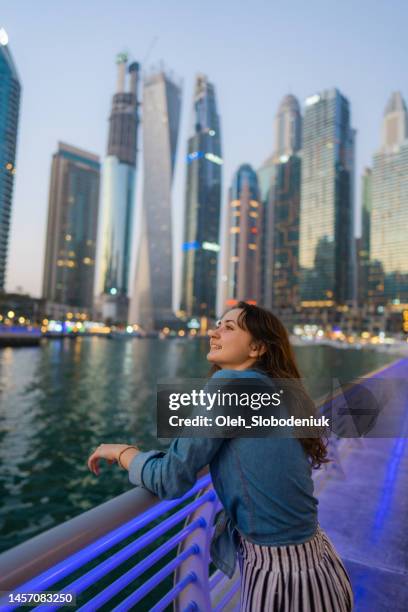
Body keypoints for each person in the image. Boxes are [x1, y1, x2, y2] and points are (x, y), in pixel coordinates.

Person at [88, 301, 354, 611]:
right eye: (217, 325)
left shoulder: (228, 386)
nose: (213, 333)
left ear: (257, 348)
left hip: (282, 582)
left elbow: (170, 478)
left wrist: (124, 452)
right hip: (322, 563)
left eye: (228, 328)